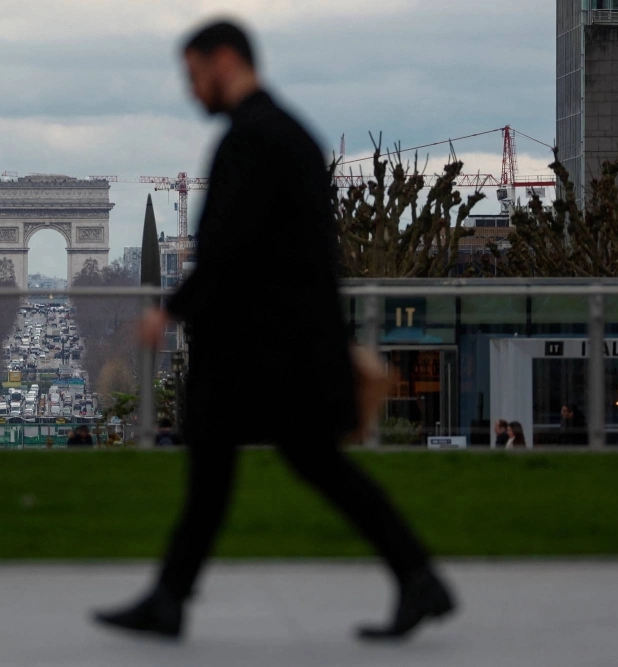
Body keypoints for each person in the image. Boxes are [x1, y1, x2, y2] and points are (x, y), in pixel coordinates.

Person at [93, 20, 455, 643]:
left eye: (193, 74)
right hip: (283, 341)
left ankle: (173, 597)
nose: (191, 89)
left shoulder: (251, 139)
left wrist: (171, 309)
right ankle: (415, 576)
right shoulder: (284, 133)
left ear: (224, 60)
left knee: (245, 465)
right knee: (271, 464)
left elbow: (230, 245)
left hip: (261, 347)